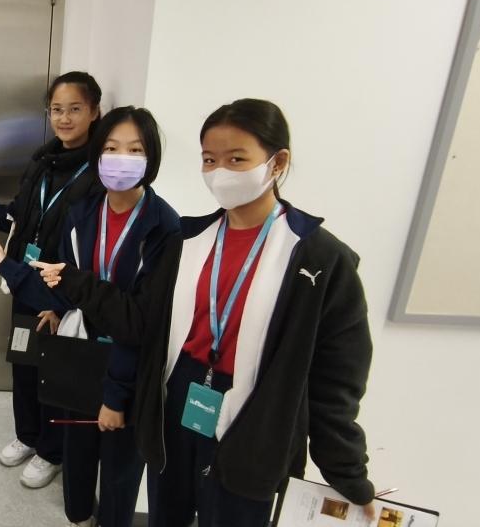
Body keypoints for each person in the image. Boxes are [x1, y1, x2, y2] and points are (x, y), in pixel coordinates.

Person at [35, 99, 377, 527]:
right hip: (178, 398)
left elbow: (336, 382)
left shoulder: (319, 260)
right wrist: (73, 281)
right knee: (167, 513)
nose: (220, 172)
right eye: (210, 160)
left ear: (277, 163)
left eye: (237, 159)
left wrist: (348, 475)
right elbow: (140, 321)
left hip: (256, 416)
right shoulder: (188, 240)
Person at [0, 107, 179, 527]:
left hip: (127, 372)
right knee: (78, 459)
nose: (121, 159)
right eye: (111, 148)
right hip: (80, 359)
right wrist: (7, 267)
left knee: (119, 475)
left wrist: (116, 396)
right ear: (98, 155)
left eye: (135, 150)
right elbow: (62, 291)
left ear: (151, 158)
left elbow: (137, 323)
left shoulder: (164, 228)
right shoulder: (82, 215)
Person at [0, 71, 106, 489]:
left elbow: (91, 245)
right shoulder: (43, 162)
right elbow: (20, 214)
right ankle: (27, 435)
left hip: (59, 292)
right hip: (23, 279)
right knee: (23, 361)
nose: (64, 118)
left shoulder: (98, 173)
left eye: (74, 109)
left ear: (94, 112)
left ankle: (51, 451)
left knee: (53, 371)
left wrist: (63, 304)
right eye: (57, 109)